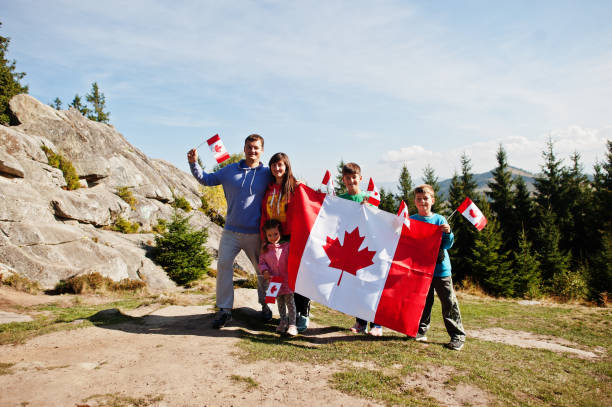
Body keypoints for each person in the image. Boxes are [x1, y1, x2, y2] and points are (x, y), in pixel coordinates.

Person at [187, 134, 272, 329]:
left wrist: (299, 183)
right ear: (244, 148)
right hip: (231, 232)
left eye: (256, 148)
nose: (252, 151)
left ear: (262, 150)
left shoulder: (267, 173)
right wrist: (193, 163)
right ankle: (225, 310)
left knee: (262, 271)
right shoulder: (230, 170)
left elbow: (286, 183)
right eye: (249, 147)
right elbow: (206, 179)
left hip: (256, 234)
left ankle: (266, 305)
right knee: (224, 267)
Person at [410, 184, 466, 350]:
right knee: (423, 302)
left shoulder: (440, 220)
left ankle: (457, 336)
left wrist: (448, 232)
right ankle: (420, 330)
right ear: (415, 201)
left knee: (448, 303)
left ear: (432, 200)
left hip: (441, 269)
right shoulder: (411, 220)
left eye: (426, 198)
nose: (422, 202)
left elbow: (447, 245)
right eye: (419, 199)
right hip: (420, 269)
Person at [260, 152, 311, 332]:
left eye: (280, 165)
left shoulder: (295, 187)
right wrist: (264, 239)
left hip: (292, 238)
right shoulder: (268, 189)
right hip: (273, 239)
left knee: (297, 277)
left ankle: (302, 314)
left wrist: (304, 188)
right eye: (273, 165)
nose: (277, 168)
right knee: (277, 276)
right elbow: (265, 215)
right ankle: (283, 318)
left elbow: (307, 205)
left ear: (287, 166)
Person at [337, 162, 383, 337]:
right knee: (356, 286)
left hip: (368, 246)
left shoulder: (368, 198)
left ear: (360, 178)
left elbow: (379, 221)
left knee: (371, 285)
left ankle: (377, 324)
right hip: (349, 247)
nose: (351, 181)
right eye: (347, 178)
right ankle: (361, 322)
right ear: (343, 180)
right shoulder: (339, 199)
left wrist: (370, 207)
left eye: (354, 177)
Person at [259, 219, 298, 336]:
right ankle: (283, 321)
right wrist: (264, 270)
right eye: (269, 235)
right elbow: (261, 262)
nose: (273, 237)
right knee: (280, 303)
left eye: (275, 234)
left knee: (290, 303)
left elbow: (294, 258)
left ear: (280, 232)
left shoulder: (286, 246)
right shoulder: (265, 250)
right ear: (266, 236)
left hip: (287, 280)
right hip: (274, 281)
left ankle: (292, 325)